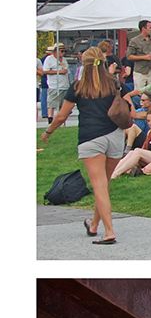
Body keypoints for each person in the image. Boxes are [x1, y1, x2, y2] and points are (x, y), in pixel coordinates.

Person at [38, 47, 126, 243]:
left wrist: (48, 131)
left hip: (91, 138)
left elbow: (62, 115)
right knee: (104, 184)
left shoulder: (78, 87)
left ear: (82, 65)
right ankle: (94, 225)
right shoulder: (113, 84)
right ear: (102, 63)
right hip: (115, 135)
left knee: (99, 185)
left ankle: (109, 231)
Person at [110, 106, 151, 179]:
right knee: (132, 152)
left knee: (137, 151)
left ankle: (116, 174)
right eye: (148, 121)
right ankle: (111, 171)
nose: (150, 123)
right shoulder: (150, 132)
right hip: (150, 156)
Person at [126, 19, 151, 91]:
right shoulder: (134, 41)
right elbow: (129, 56)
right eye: (150, 28)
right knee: (139, 91)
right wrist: (144, 57)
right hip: (140, 71)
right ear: (143, 28)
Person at [40, 45, 71, 120]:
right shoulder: (49, 59)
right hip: (54, 85)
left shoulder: (64, 60)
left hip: (64, 85)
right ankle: (50, 118)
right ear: (55, 51)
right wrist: (59, 72)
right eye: (61, 51)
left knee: (63, 104)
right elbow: (45, 71)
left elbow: (67, 70)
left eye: (64, 51)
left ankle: (61, 119)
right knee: (52, 103)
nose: (63, 53)